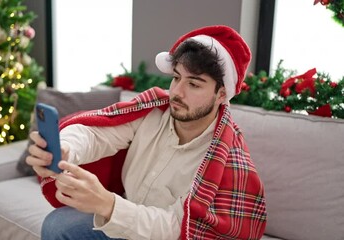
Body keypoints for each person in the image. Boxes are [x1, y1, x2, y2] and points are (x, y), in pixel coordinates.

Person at [26, 25, 267, 240]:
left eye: (193, 84)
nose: (177, 92)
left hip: (162, 234)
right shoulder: (154, 111)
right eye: (176, 78)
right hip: (126, 217)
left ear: (222, 94)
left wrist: (109, 205)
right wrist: (67, 149)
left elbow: (175, 227)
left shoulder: (223, 160)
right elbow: (97, 134)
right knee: (58, 225)